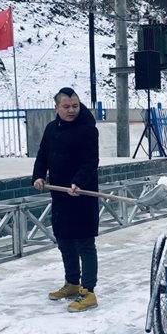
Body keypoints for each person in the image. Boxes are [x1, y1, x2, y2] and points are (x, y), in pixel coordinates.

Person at [32, 87, 100, 313]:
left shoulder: (88, 130)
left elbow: (90, 161)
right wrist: (39, 176)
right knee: (64, 240)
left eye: (75, 106)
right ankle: (72, 283)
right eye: (66, 106)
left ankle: (88, 291)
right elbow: (43, 154)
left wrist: (78, 182)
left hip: (81, 194)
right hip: (59, 194)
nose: (71, 110)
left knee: (84, 243)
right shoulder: (52, 129)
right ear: (56, 107)